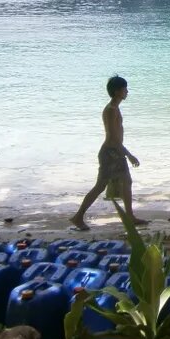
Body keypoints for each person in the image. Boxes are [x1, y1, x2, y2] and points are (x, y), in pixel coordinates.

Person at [70, 75, 147, 231]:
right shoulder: (111, 110)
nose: (127, 91)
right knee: (100, 186)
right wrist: (129, 155)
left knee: (126, 182)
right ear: (118, 91)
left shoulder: (115, 108)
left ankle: (130, 217)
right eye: (125, 89)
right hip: (110, 152)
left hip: (115, 151)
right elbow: (113, 138)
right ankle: (78, 217)